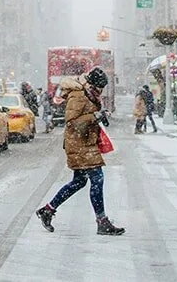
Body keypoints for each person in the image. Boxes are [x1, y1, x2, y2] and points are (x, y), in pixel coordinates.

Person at [35, 67, 125, 236]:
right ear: (92, 84)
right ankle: (102, 221)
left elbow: (86, 116)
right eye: (100, 87)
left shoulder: (88, 95)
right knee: (97, 179)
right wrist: (95, 117)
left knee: (79, 181)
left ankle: (48, 210)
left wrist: (99, 116)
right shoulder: (78, 95)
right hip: (79, 145)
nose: (101, 91)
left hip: (84, 143)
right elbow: (72, 122)